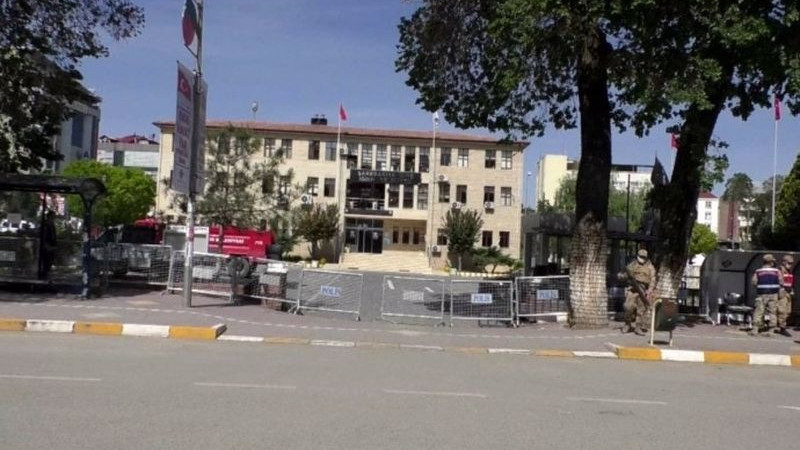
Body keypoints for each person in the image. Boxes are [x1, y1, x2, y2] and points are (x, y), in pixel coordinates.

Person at [620, 248, 656, 335]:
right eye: (640, 256)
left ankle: (638, 327)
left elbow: (653, 279)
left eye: (644, 257)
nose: (642, 258)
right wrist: (622, 276)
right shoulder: (632, 265)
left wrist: (649, 290)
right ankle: (627, 324)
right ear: (638, 256)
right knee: (628, 307)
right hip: (632, 289)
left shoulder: (650, 267)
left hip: (643, 290)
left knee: (641, 310)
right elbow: (624, 275)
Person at [750, 254, 783, 336]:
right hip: (773, 294)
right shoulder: (777, 271)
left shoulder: (758, 271)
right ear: (771, 262)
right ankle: (771, 330)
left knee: (759, 311)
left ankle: (755, 330)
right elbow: (781, 282)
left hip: (762, 294)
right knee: (773, 312)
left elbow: (754, 282)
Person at [775, 254, 794, 337]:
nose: (790, 265)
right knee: (782, 311)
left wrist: (791, 290)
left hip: (788, 293)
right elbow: (780, 281)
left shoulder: (789, 271)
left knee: (788, 311)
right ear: (784, 262)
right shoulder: (779, 270)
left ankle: (780, 325)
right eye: (789, 263)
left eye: (791, 263)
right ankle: (782, 327)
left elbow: (789, 282)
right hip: (782, 292)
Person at [39, 211, 58, 280]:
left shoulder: (52, 225)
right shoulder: (46, 225)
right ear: (49, 217)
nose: (54, 218)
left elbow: (54, 236)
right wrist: (46, 245)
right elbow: (43, 236)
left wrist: (54, 245)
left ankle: (46, 274)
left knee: (50, 261)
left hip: (51, 246)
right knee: (46, 261)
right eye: (53, 217)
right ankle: (44, 275)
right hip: (47, 246)